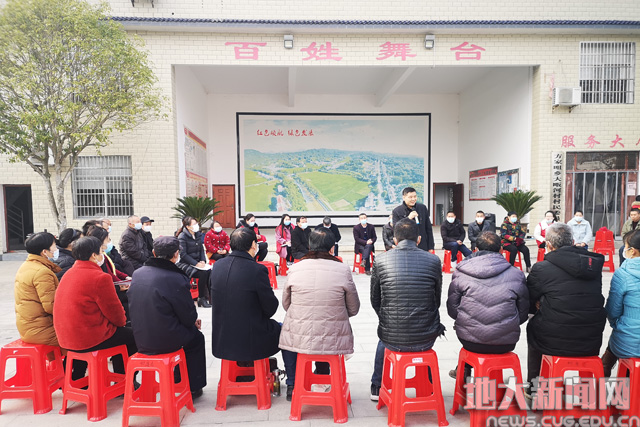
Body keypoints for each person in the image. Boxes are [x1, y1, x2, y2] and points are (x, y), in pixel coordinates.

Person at [280, 229, 360, 400]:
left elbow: (286, 305)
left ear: (310, 247)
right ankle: (322, 376)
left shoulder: (295, 268)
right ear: (332, 248)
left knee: (290, 334)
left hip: (299, 335)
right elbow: (354, 308)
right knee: (325, 333)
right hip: (332, 337)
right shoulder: (343, 269)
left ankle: (292, 383)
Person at [370, 219, 445, 401]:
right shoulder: (434, 260)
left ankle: (377, 386)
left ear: (395, 240)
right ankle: (429, 385)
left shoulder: (380, 260)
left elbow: (375, 299)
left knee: (384, 339)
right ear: (418, 239)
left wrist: (388, 317)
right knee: (416, 339)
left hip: (392, 336)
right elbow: (436, 300)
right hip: (426, 336)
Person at [526, 223, 606, 386]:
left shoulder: (541, 268)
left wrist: (541, 304)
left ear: (548, 244)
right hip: (590, 338)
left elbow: (530, 300)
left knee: (533, 327)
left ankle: (533, 386)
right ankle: (586, 389)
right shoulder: (592, 266)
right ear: (573, 242)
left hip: (553, 341)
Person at [129, 236, 207, 399]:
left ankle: (178, 378)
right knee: (196, 339)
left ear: (153, 253)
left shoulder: (137, 274)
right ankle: (191, 386)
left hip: (140, 337)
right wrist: (192, 322)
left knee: (184, 329)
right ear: (176, 254)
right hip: (165, 339)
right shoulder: (176, 278)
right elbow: (188, 316)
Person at [447, 232, 528, 379]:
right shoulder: (516, 274)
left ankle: (464, 370)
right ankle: (467, 370)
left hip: (469, 341)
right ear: (501, 249)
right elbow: (523, 314)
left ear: (476, 249)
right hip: (506, 342)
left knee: (473, 330)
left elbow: (453, 311)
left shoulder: (461, 272)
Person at [53, 237, 137, 380]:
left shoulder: (68, 273)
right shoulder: (100, 278)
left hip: (66, 337)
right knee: (134, 336)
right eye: (101, 252)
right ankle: (123, 380)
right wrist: (122, 323)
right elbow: (117, 316)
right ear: (93, 255)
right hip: (89, 338)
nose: (102, 255)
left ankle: (76, 379)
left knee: (118, 334)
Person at [210, 228, 281, 362]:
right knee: (284, 329)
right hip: (251, 341)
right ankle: (291, 374)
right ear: (253, 244)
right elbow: (271, 308)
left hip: (222, 340)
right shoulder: (257, 270)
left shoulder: (217, 266)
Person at [601, 229, 640, 376]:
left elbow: (612, 310)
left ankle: (603, 386)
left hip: (630, 340)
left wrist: (617, 325)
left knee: (607, 359)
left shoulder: (624, 274)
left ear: (633, 251)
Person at [14, 232, 61, 346]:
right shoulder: (42, 272)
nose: (56, 249)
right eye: (54, 246)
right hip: (42, 330)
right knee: (80, 339)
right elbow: (52, 306)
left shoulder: (27, 265)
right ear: (45, 252)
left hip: (29, 327)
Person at [87, 226, 131, 322]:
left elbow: (113, 270)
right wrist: (121, 285)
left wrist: (125, 278)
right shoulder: (98, 259)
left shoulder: (103, 255)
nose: (110, 242)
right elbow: (109, 275)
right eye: (108, 240)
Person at [176, 216, 211, 308]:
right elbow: (183, 254)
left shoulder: (198, 235)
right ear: (188, 227)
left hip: (198, 262)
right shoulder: (182, 237)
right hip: (186, 263)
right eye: (194, 224)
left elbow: (201, 250)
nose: (196, 226)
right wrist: (196, 264)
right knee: (202, 274)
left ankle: (209, 297)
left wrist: (202, 261)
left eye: (196, 223)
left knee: (209, 272)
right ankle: (201, 298)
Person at [392, 187, 434, 251]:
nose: (413, 199)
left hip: (422, 245)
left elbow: (428, 228)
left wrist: (431, 247)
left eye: (415, 196)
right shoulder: (397, 211)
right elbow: (396, 228)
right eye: (410, 197)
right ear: (404, 197)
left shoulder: (422, 208)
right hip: (405, 246)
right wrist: (408, 218)